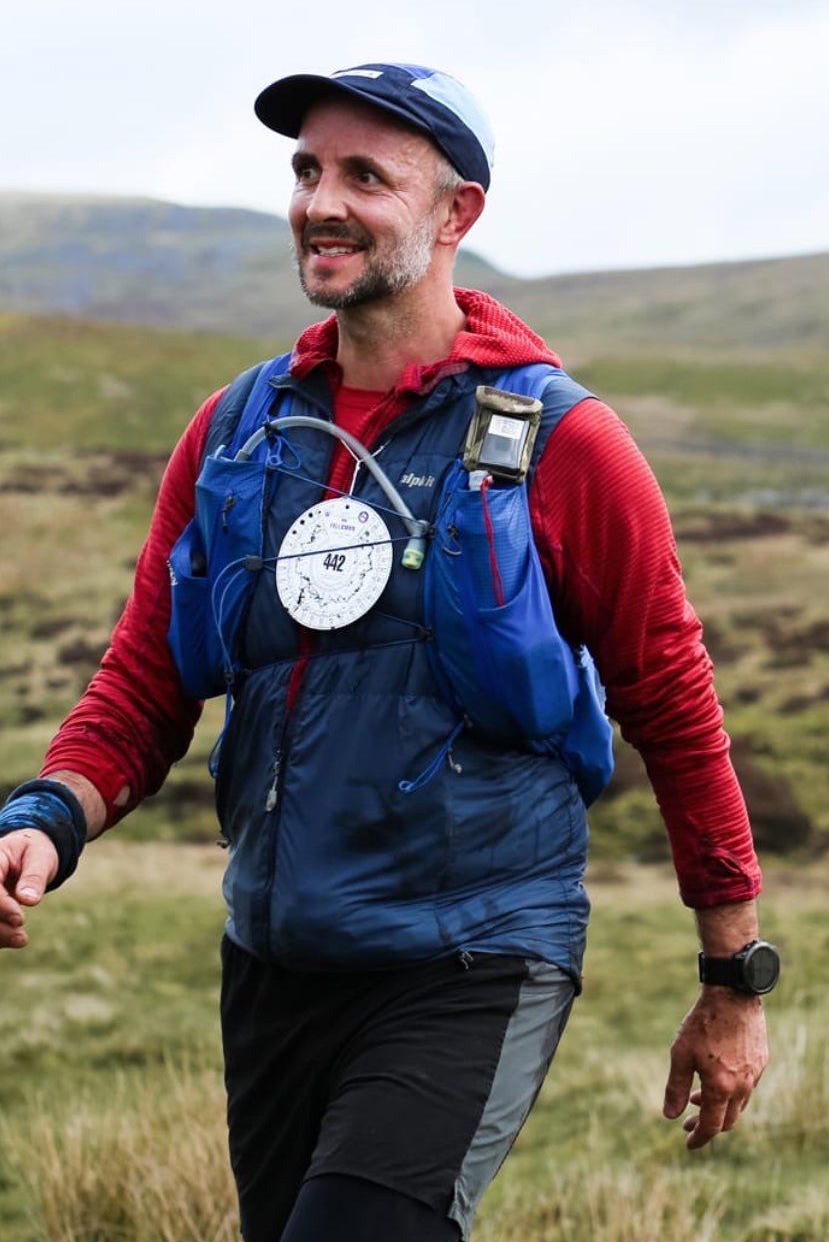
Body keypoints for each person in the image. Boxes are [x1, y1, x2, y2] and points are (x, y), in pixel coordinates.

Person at [0, 63, 777, 1242]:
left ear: (456, 213)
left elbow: (671, 702)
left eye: (367, 175)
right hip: (274, 953)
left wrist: (733, 978)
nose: (323, 201)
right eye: (308, 171)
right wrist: (44, 819)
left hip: (472, 949)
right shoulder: (236, 430)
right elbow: (149, 672)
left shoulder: (564, 442)